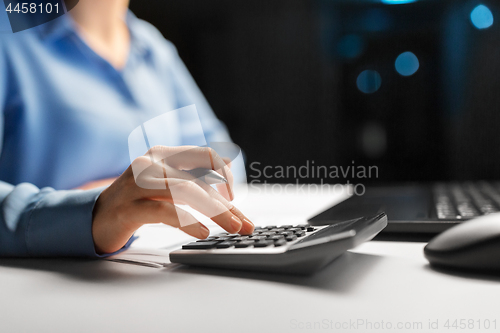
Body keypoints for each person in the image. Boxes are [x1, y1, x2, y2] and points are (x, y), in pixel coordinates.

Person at [0, 0, 254, 256]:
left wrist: (142, 191)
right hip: (49, 281)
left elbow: (224, 160)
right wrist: (90, 209)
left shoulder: (150, 44)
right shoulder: (7, 34)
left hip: (158, 263)